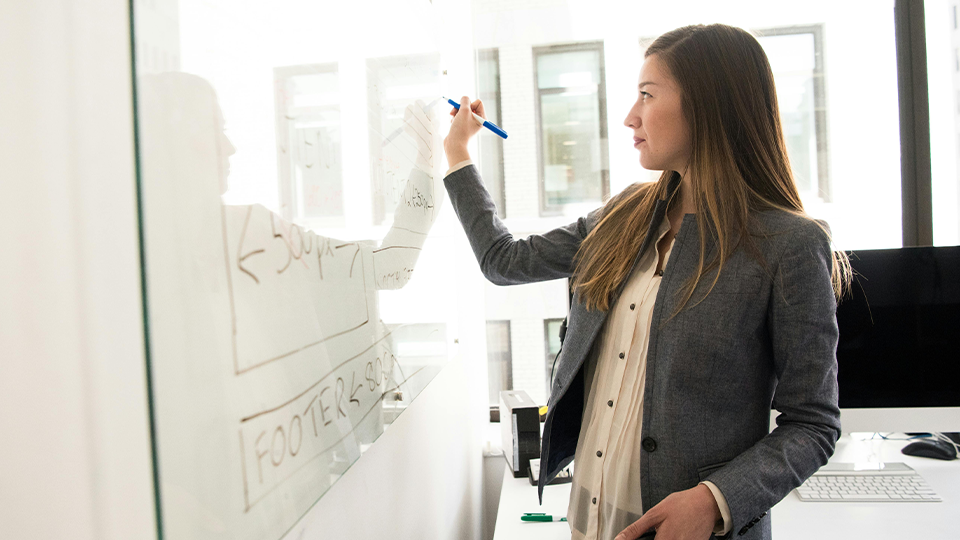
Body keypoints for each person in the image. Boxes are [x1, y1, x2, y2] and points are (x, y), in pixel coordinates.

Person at [442, 24, 849, 540]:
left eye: (647, 95)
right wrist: (458, 155)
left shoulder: (787, 244)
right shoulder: (623, 215)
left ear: (709, 106)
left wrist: (714, 501)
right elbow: (503, 260)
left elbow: (812, 424)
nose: (630, 116)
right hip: (588, 520)